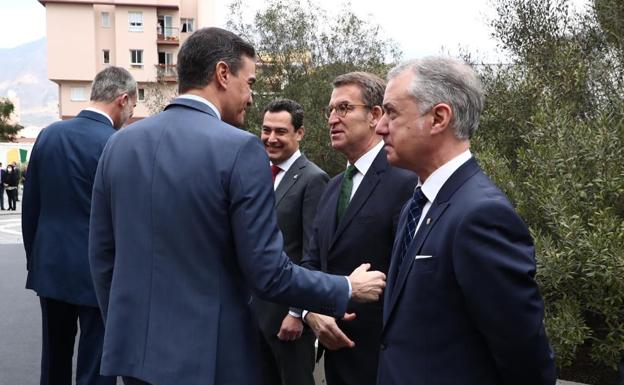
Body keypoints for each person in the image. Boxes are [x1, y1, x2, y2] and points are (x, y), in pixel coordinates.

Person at [88, 27, 386, 385]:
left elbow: (102, 257)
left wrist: (126, 328)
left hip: (132, 354)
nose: (250, 97)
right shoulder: (239, 149)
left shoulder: (119, 145)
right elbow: (268, 272)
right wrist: (346, 288)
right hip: (209, 361)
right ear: (222, 74)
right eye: (250, 82)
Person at [374, 56, 556, 385]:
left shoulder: (481, 215)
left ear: (439, 118)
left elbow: (523, 352)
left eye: (392, 112)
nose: (380, 126)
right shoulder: (414, 206)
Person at [21, 66, 137, 385]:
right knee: (96, 365)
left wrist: (36, 260)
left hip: (51, 266)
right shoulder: (117, 144)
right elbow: (124, 218)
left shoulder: (48, 135)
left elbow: (31, 207)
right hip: (98, 274)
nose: (130, 115)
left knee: (54, 361)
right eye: (132, 108)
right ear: (123, 99)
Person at [299, 72, 417, 385]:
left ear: (375, 115)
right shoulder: (333, 186)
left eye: (344, 108)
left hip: (384, 364)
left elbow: (412, 276)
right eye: (330, 111)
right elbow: (311, 263)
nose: (332, 119)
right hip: (337, 360)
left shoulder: (406, 181)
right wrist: (313, 312)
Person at [252, 98, 329, 385]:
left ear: (300, 133)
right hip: (256, 314)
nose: (271, 138)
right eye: (266, 130)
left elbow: (312, 251)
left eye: (280, 131)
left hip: (287, 319)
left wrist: (298, 312)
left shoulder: (313, 179)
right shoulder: (258, 173)